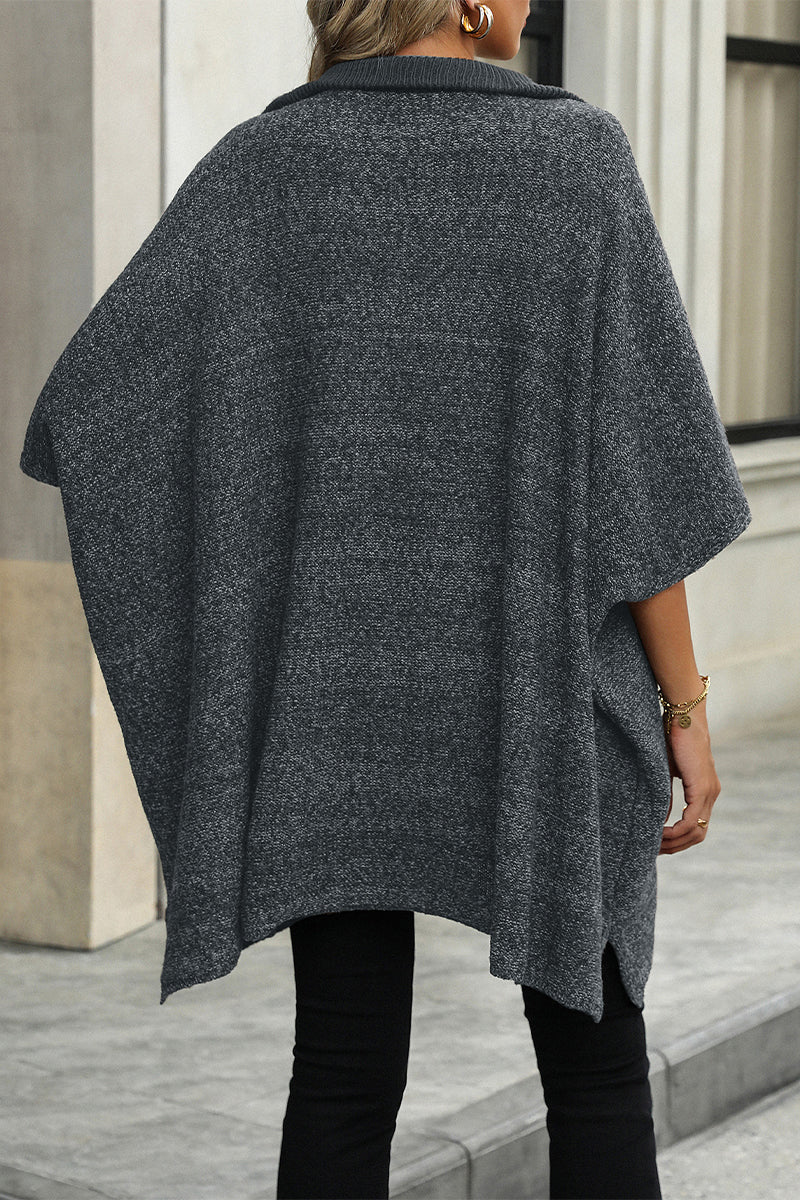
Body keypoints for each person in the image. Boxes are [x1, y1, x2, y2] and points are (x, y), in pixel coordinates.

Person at [18, 1, 752, 1198]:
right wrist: (683, 707)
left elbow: (93, 409)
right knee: (595, 1072)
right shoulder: (574, 158)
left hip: (331, 707)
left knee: (343, 1073)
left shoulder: (264, 165)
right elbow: (639, 477)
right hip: (547, 690)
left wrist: (261, 561)